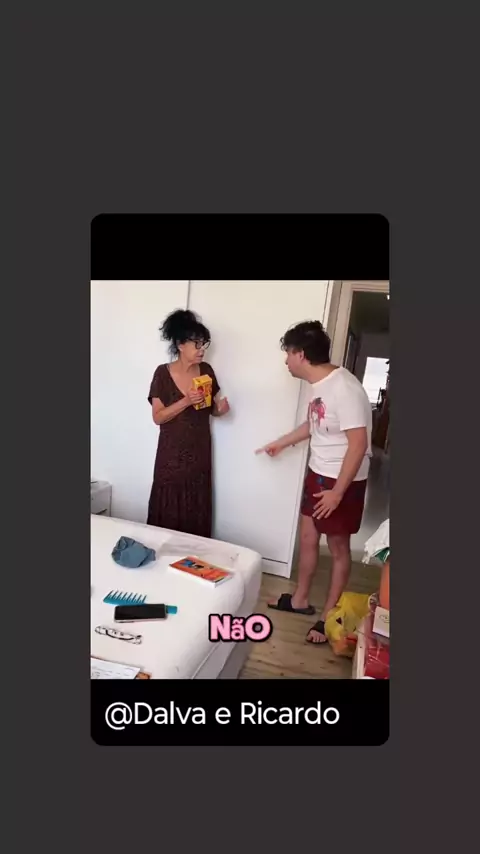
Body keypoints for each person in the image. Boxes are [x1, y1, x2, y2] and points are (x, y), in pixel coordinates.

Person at [256, 320, 372, 644]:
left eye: (288, 353)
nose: (286, 360)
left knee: (337, 547)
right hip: (318, 471)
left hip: (342, 479)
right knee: (308, 538)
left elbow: (359, 445)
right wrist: (282, 443)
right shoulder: (319, 384)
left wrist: (337, 493)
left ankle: (327, 616)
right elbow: (314, 424)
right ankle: (300, 600)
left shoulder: (345, 389)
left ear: (301, 354)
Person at [147, 309, 230, 537]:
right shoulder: (162, 374)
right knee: (168, 507)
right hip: (171, 457)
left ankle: (194, 556)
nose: (202, 349)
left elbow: (210, 409)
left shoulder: (206, 371)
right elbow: (158, 417)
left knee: (196, 507)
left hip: (199, 453)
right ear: (180, 345)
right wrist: (185, 401)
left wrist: (220, 410)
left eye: (204, 344)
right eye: (197, 344)